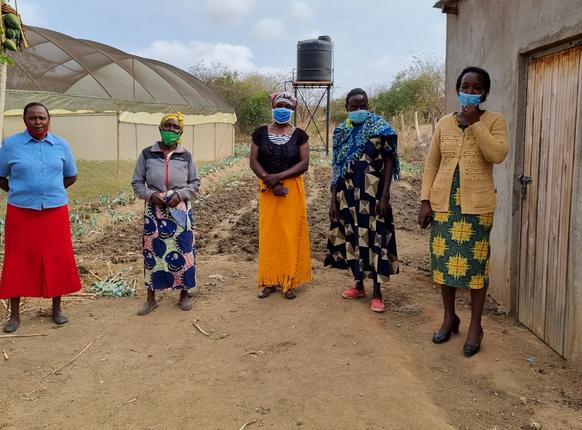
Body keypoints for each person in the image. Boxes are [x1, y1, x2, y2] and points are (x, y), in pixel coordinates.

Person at [418, 66, 509, 357]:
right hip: (444, 204)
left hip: (477, 207)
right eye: (465, 86)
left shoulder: (495, 121)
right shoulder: (445, 123)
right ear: (457, 89)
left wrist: (475, 124)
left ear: (484, 92)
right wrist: (424, 201)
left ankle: (475, 326)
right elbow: (432, 163)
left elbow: (497, 154)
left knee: (475, 268)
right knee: (445, 265)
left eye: (475, 88)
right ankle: (449, 317)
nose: (469, 92)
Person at [0, 102, 82, 333]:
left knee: (56, 258)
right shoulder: (11, 145)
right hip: (21, 212)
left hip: (54, 211)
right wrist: (21, 192)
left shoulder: (61, 145)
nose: (38, 122)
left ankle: (56, 309)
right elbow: (0, 176)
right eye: (32, 118)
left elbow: (71, 176)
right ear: (24, 120)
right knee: (17, 260)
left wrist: (50, 191)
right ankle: (14, 315)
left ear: (49, 120)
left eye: (42, 118)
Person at [324, 88, 400, 313]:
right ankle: (358, 285)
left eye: (363, 105)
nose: (358, 109)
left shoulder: (380, 129)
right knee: (352, 237)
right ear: (347, 108)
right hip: (346, 195)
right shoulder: (340, 132)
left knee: (374, 237)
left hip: (373, 193)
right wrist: (333, 201)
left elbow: (389, 162)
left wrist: (385, 194)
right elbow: (337, 168)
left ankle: (377, 291)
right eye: (354, 106)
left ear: (368, 105)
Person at [131, 112, 200, 315]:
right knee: (153, 251)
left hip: (179, 211)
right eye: (167, 126)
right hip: (154, 212)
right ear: (160, 129)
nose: (171, 130)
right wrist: (150, 195)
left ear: (181, 132)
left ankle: (184, 294)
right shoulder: (147, 154)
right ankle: (151, 298)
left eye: (175, 128)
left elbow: (195, 184)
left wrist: (181, 194)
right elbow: (137, 182)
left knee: (184, 251)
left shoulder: (186, 155)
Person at [249, 91, 311, 300]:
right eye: (279, 105)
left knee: (290, 234)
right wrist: (269, 179)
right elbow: (253, 161)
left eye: (287, 106)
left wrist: (279, 177)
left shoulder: (300, 135)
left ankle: (289, 281)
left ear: (293, 110)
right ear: (273, 108)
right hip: (268, 189)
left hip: (291, 188)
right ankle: (269, 281)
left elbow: (304, 164)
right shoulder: (259, 133)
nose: (282, 109)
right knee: (269, 235)